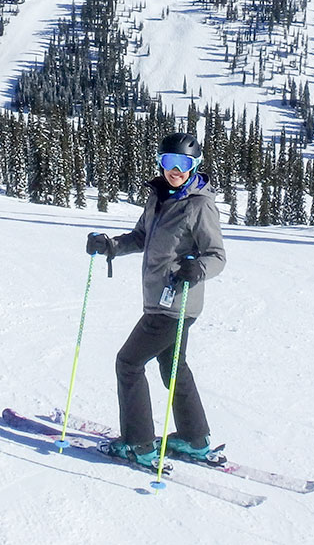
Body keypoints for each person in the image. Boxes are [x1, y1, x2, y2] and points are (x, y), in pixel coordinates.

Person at [84, 131, 226, 470]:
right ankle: (194, 438)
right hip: (158, 300)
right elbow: (141, 237)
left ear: (195, 166)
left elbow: (217, 255)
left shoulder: (200, 205)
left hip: (175, 303)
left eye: (183, 164)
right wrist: (111, 246)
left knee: (128, 363)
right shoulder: (159, 197)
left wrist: (197, 268)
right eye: (168, 162)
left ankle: (138, 444)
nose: (174, 170)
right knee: (173, 367)